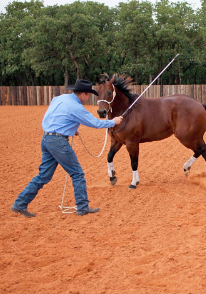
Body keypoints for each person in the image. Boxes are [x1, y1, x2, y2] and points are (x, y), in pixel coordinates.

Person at [11, 79, 123, 217]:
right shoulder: (76, 107)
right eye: (88, 96)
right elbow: (94, 123)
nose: (88, 99)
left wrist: (68, 129)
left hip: (46, 139)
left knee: (43, 176)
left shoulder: (59, 98)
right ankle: (82, 207)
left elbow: (53, 116)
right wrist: (113, 121)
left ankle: (20, 203)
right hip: (58, 142)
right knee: (77, 174)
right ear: (83, 94)